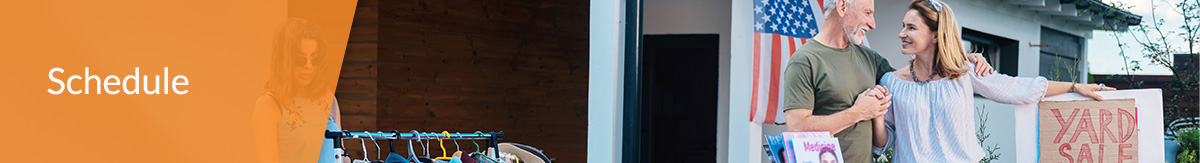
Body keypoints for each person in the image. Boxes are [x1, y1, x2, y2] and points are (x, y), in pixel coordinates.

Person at [867, 0, 1116, 162]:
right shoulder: (892, 81)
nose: (901, 34)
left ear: (935, 35)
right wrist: (877, 113)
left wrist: (1074, 86)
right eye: (902, 26)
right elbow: (885, 142)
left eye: (911, 28)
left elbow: (1017, 89)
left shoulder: (964, 73)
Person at [780, 0, 994, 162]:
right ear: (842, 6)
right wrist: (858, 112)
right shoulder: (805, 61)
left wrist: (962, 57)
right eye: (867, 12)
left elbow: (919, 78)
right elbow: (798, 128)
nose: (872, 23)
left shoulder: (869, 58)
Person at [252, 18, 346, 163]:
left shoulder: (328, 98)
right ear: (283, 60)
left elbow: (341, 156)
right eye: (300, 59)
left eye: (315, 59)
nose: (309, 66)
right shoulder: (269, 104)